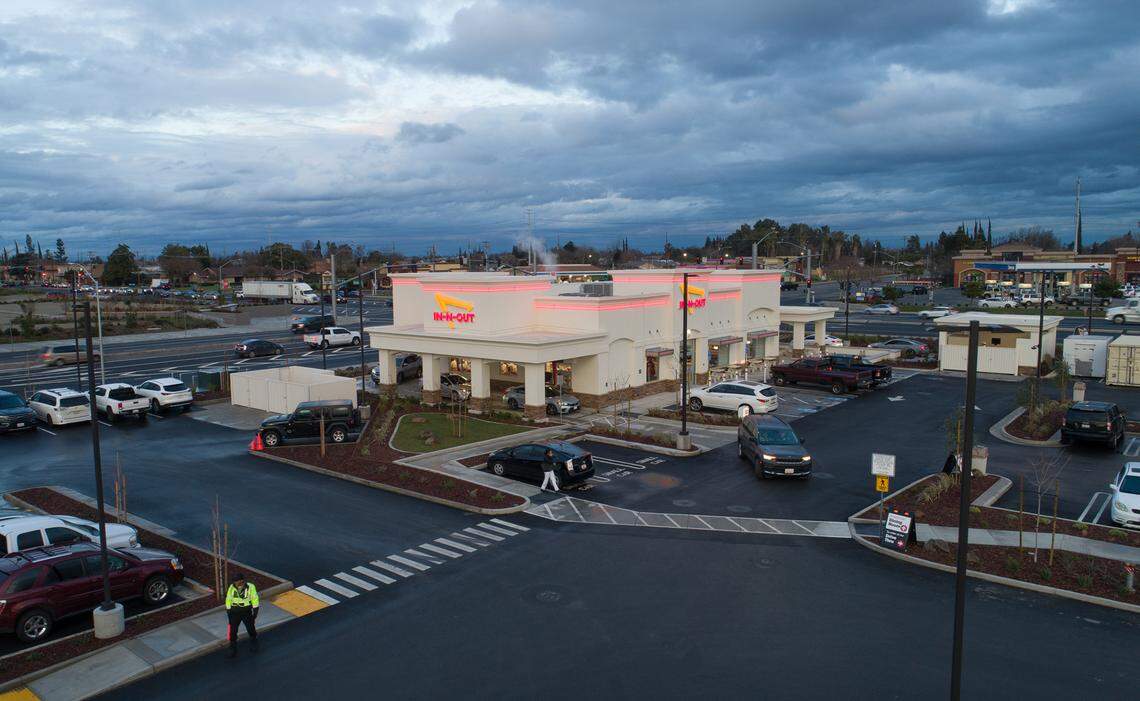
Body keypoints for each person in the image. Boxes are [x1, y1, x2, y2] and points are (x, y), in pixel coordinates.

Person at [225, 572, 260, 658]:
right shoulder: (232, 587)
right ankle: (233, 648)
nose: (235, 582)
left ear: (242, 580)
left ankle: (254, 642)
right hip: (234, 612)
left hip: (246, 611)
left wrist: (255, 612)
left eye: (237, 581)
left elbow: (254, 598)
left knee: (250, 628)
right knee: (232, 631)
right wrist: (228, 610)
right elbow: (228, 598)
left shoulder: (250, 587)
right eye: (234, 581)